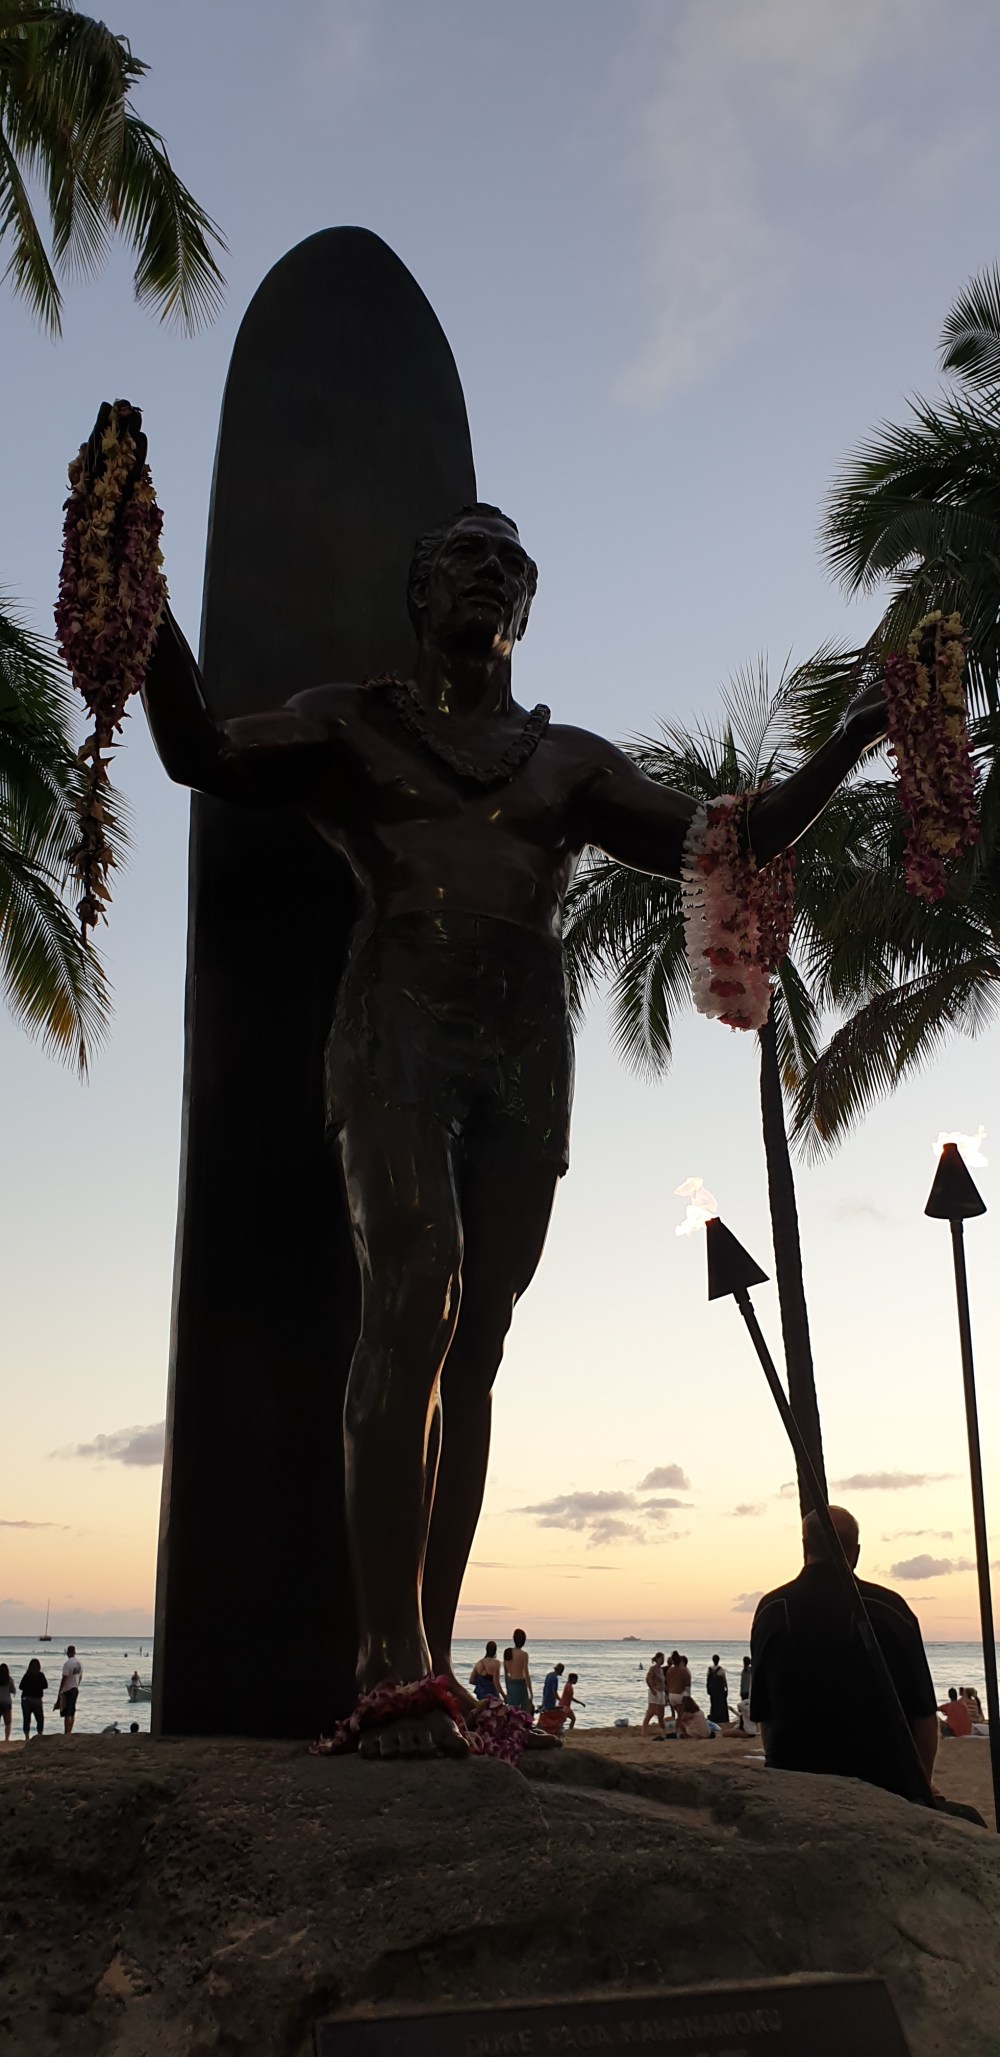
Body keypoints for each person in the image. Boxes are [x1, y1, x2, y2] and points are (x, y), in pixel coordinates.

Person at [137, 451, 889, 1758]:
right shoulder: (350, 724)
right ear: (420, 591)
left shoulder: (566, 762)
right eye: (465, 556)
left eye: (508, 563)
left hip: (525, 1041)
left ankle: (433, 1657)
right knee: (414, 1291)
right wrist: (137, 599)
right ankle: (385, 1667)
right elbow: (198, 748)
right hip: (396, 1019)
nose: (487, 572)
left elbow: (732, 837)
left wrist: (857, 733)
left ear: (526, 607)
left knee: (476, 1342)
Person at [750, 1505, 940, 1805]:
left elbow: (764, 1715)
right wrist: (921, 1786)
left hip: (795, 1777)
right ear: (856, 1552)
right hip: (883, 1782)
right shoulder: (890, 1609)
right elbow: (925, 1715)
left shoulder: (771, 1610)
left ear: (804, 1547)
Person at [506, 1629, 533, 1714]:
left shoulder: (507, 1652)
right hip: (521, 1684)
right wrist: (530, 1692)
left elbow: (506, 1673)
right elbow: (526, 1673)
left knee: (512, 1711)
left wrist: (507, 1688)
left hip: (511, 1683)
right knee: (523, 1712)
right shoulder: (524, 1654)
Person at [19, 1658, 47, 1739]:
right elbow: (45, 1685)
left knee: (26, 1718)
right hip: (37, 1699)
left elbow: (21, 1687)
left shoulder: (27, 1675)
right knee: (40, 1718)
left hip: (26, 1699)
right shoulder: (40, 1675)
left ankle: (27, 1736)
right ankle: (40, 1734)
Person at [58, 1645, 83, 1734]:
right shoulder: (79, 1663)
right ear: (74, 1652)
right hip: (75, 1688)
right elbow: (80, 1676)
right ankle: (70, 1730)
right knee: (72, 1711)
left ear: (68, 1653)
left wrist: (60, 1691)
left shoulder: (67, 1664)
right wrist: (77, 1685)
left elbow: (64, 1678)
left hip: (68, 1689)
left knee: (67, 1713)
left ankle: (67, 1731)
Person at [538, 1661, 566, 1734]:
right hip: (550, 1699)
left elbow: (545, 1688)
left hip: (545, 1697)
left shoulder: (549, 1675)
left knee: (544, 1714)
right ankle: (548, 1730)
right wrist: (560, 1699)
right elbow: (554, 1691)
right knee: (549, 1715)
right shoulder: (555, 1678)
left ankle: (540, 1728)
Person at [642, 1653, 667, 1732]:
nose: (663, 1660)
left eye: (663, 1659)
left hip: (661, 1691)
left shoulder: (661, 1669)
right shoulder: (653, 1668)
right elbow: (648, 1679)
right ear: (657, 1659)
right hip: (655, 1691)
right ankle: (644, 1730)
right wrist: (652, 1689)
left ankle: (663, 1729)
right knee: (651, 1712)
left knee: (661, 1713)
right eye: (662, 1659)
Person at [706, 1655, 729, 1726]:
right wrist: (727, 1689)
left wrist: (708, 1689)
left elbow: (707, 1680)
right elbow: (724, 1681)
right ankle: (721, 1718)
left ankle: (714, 1717)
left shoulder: (709, 1670)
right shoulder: (721, 1670)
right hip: (720, 1690)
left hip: (713, 1691)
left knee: (713, 1704)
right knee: (721, 1705)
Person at [665, 1652, 689, 1718]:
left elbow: (667, 1683)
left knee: (679, 1714)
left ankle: (677, 1723)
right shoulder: (684, 1670)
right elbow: (687, 1684)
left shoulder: (669, 1670)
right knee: (681, 1715)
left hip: (671, 1695)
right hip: (679, 1695)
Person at [0, 1663, 12, 1743]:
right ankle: (6, 1739)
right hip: (6, 1702)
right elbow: (13, 1690)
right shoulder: (9, 1679)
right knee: (8, 1723)